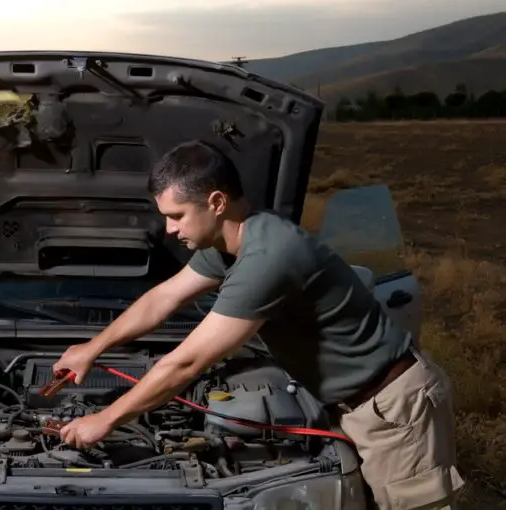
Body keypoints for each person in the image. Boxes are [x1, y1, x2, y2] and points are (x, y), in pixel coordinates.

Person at [52, 140, 464, 510]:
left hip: (393, 409)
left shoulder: (270, 257)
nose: (169, 229)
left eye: (176, 215)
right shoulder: (231, 243)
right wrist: (93, 347)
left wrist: (106, 420)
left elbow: (185, 364)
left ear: (216, 202)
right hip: (353, 403)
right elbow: (164, 297)